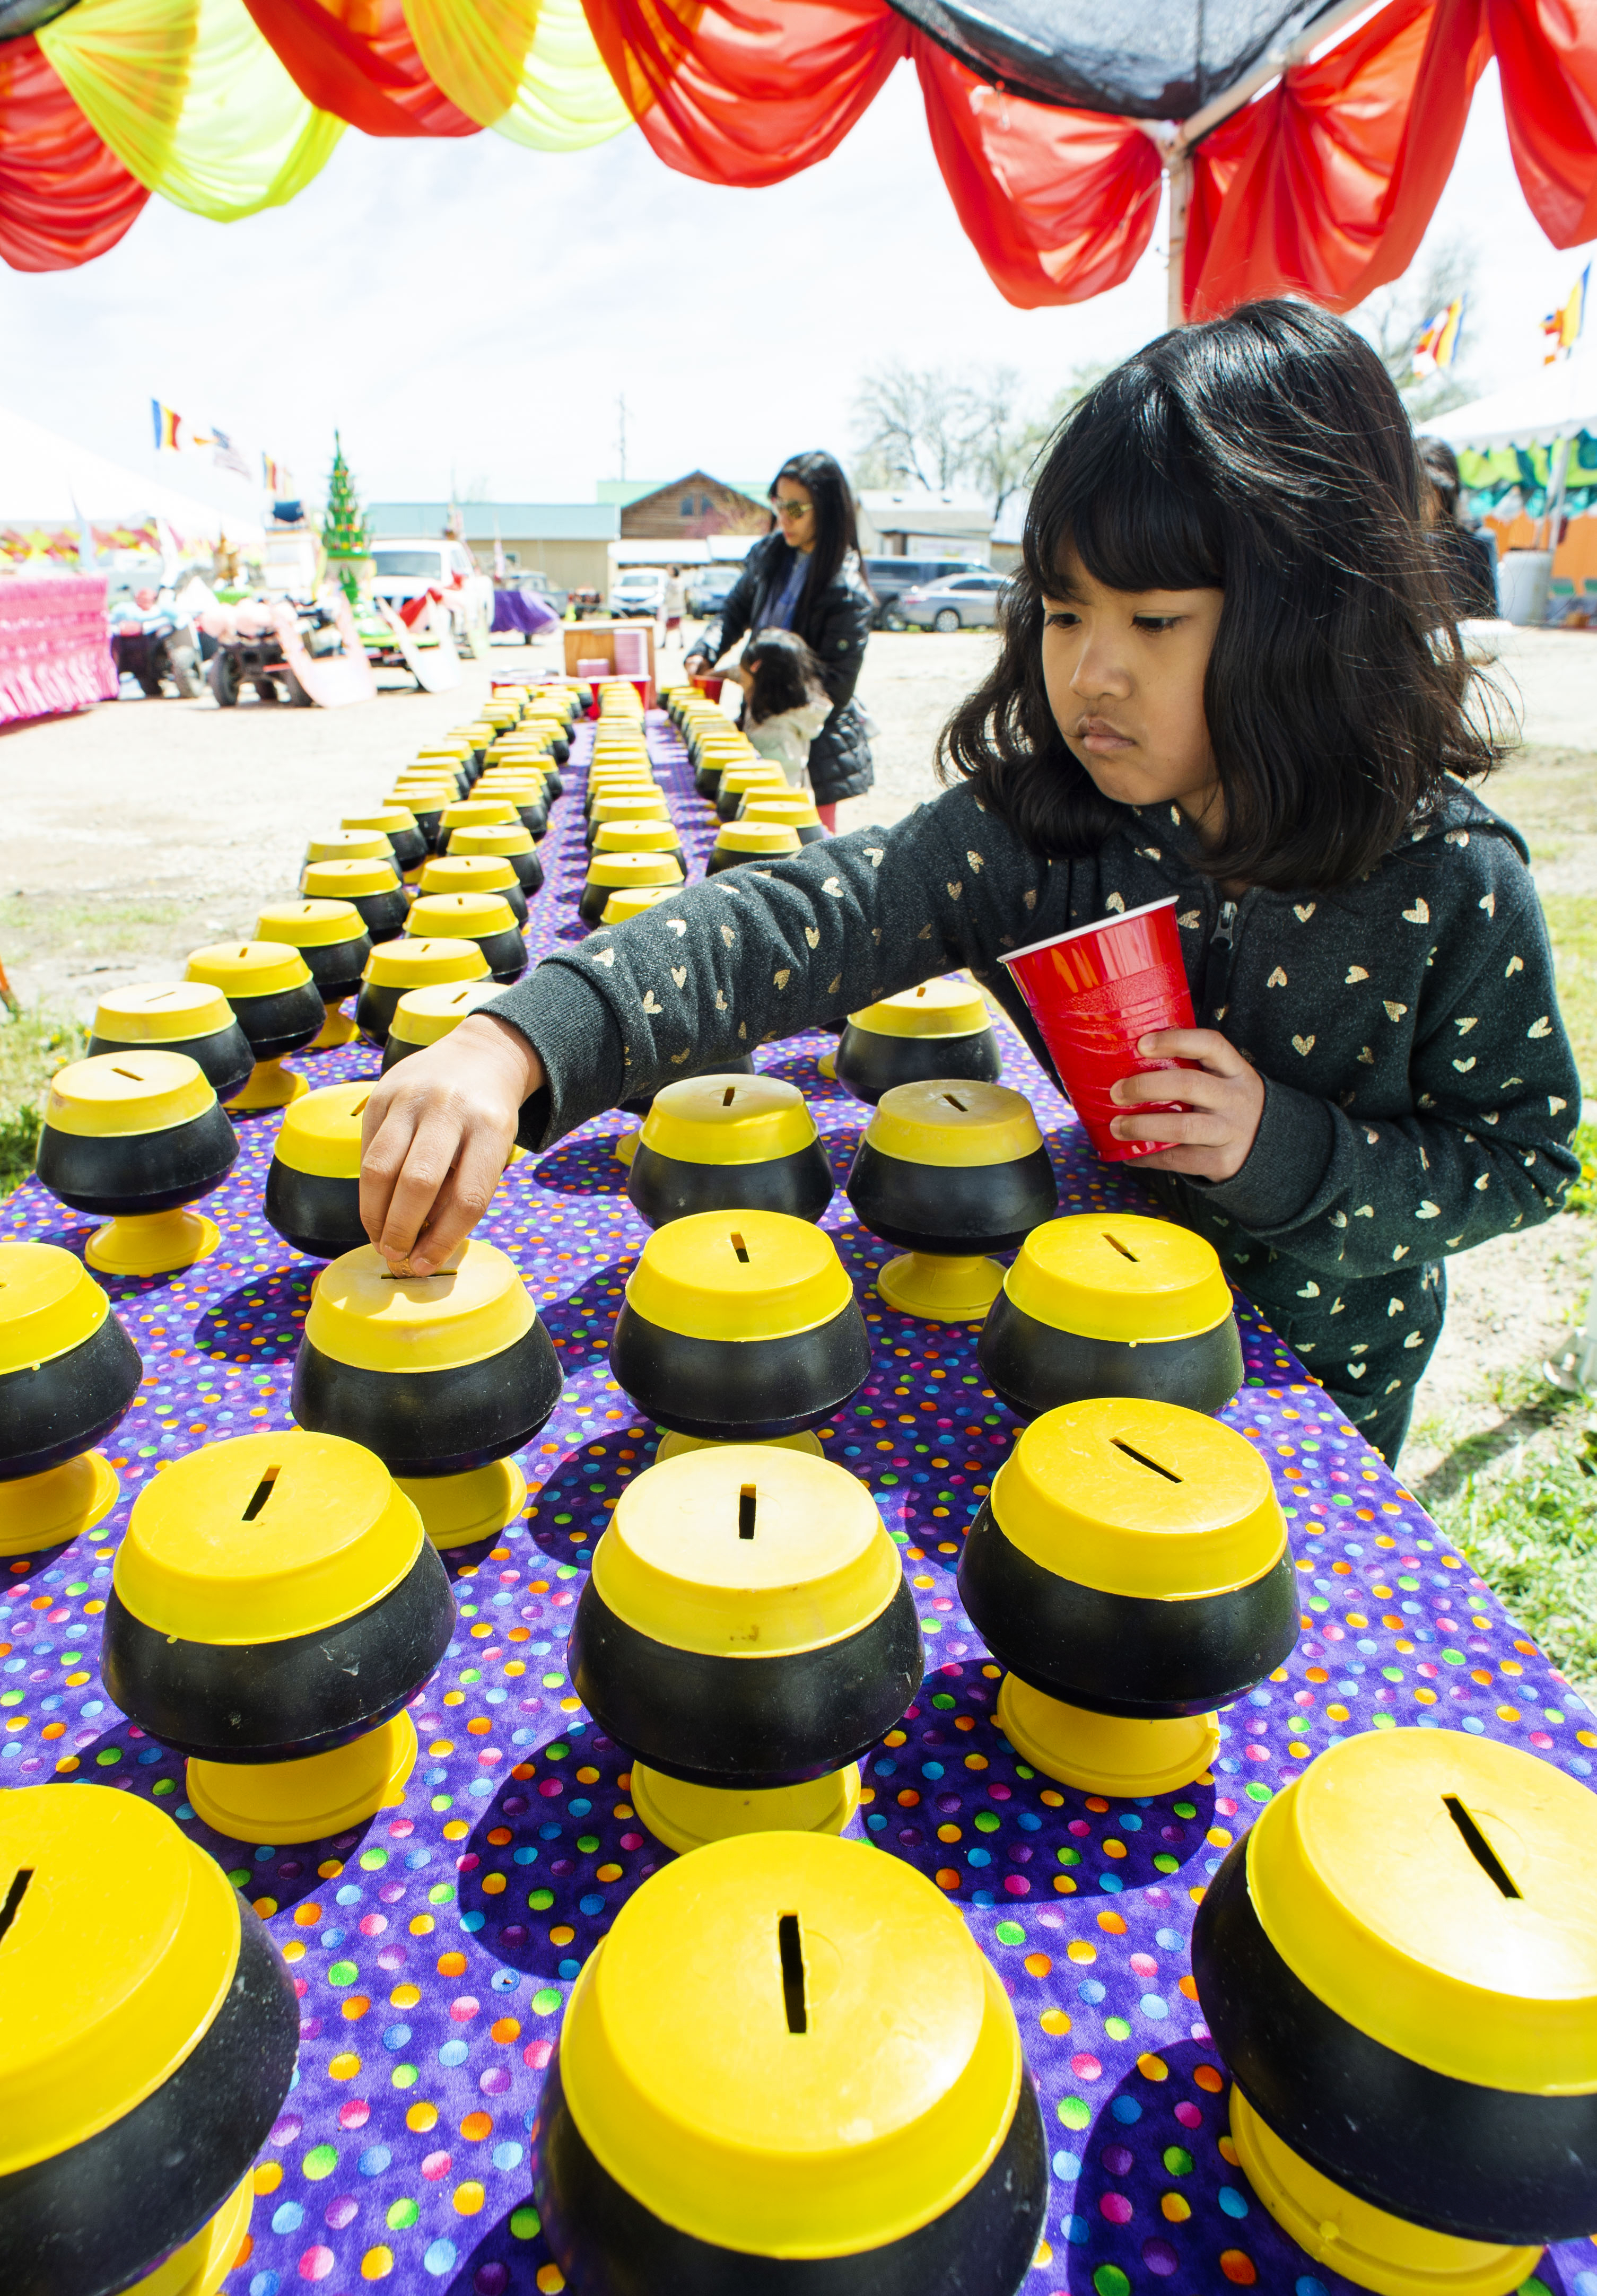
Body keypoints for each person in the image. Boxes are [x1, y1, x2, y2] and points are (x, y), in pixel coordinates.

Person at [358, 300, 1579, 1468]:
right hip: (1065, 1350)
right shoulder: (1046, 830)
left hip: (1303, 1403)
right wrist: (519, 1041)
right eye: (1060, 612)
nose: (1090, 671)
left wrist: (1289, 1147)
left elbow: (1522, 1159)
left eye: (1153, 620)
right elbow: (803, 915)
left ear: (1315, 611)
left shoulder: (1447, 881)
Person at [684, 451, 874, 831]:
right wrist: (704, 651)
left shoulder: (846, 588)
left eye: (796, 508)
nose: (783, 517)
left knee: (811, 855)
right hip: (762, 722)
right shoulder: (769, 555)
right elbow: (733, 611)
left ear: (828, 510)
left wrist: (770, 698)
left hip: (812, 742)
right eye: (778, 504)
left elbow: (835, 685)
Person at [731, 628, 833, 782]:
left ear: (764, 687)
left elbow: (765, 785)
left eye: (745, 681)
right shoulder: (781, 703)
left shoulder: (776, 738)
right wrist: (719, 674)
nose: (743, 686)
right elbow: (743, 673)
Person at [1417, 435, 1499, 619]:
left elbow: (1486, 618)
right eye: (1414, 490)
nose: (1419, 501)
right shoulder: (1397, 545)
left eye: (1426, 491)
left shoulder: (1476, 546)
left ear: (1446, 493)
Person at [662, 565, 686, 643]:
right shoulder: (681, 581)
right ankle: (681, 642)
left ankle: (665, 642)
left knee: (671, 626)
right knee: (678, 626)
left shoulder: (672, 582)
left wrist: (665, 600)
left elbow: (669, 595)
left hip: (673, 608)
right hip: (678, 607)